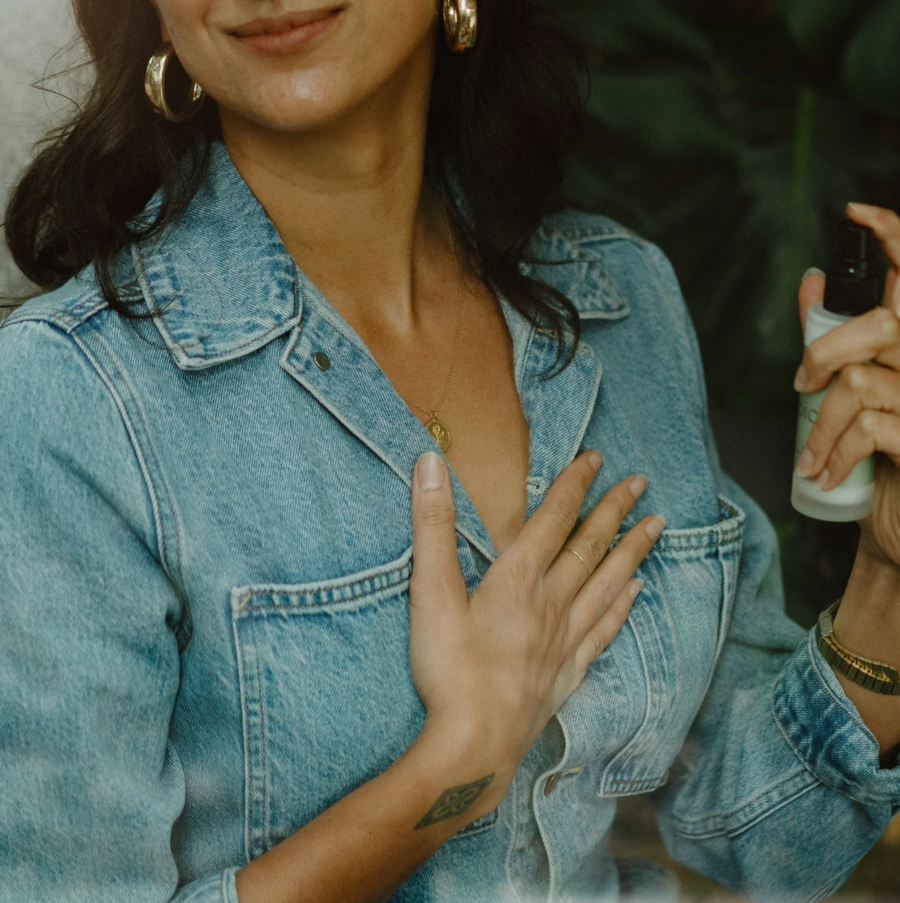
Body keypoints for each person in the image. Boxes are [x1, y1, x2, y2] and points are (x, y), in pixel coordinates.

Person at [1, 1, 899, 901]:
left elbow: (761, 833)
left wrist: (889, 577)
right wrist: (460, 759)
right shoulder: (74, 396)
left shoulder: (624, 300)